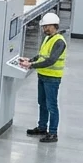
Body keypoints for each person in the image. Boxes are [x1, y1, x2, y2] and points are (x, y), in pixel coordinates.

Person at [23, 12, 66, 143]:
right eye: (43, 27)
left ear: (54, 26)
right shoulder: (48, 38)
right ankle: (42, 127)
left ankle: (53, 133)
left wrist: (31, 65)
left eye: (47, 26)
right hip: (42, 75)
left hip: (52, 78)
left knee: (51, 106)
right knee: (42, 103)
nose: (44, 29)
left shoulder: (59, 41)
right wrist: (30, 59)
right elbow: (42, 55)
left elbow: (51, 60)